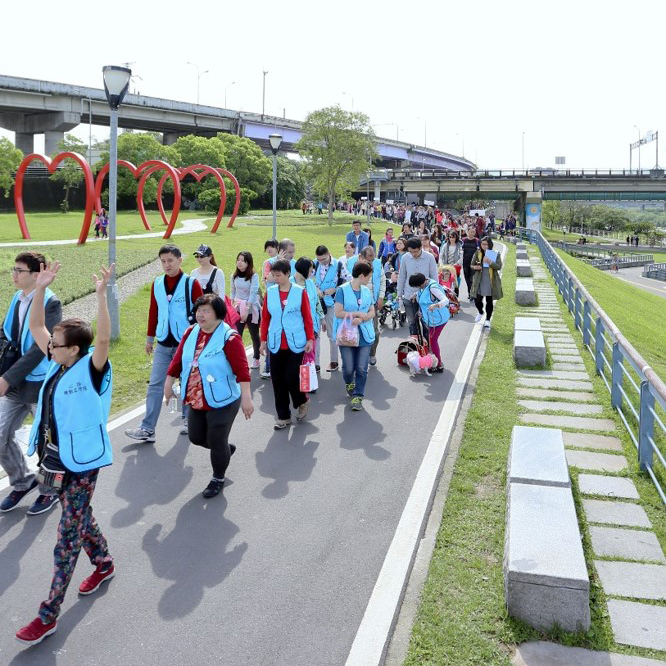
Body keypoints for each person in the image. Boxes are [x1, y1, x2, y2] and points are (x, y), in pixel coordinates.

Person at [15, 262, 115, 646]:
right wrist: (40, 289)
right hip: (54, 461)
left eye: (56, 344)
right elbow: (36, 327)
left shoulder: (91, 369)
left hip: (84, 464)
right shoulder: (57, 361)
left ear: (74, 349)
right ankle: (104, 562)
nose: (48, 346)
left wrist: (102, 297)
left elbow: (102, 341)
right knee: (79, 515)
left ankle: (48, 614)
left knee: (67, 535)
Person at [164, 294, 253, 498]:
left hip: (223, 399)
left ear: (218, 314)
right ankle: (224, 449)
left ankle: (218, 478)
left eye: (206, 311)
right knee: (196, 437)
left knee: (216, 437)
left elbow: (242, 369)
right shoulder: (190, 332)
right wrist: (169, 382)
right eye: (198, 310)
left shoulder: (229, 337)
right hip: (196, 397)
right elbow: (178, 360)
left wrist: (247, 397)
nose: (200, 315)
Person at [0, 252, 62, 516]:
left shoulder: (50, 302)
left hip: (39, 383)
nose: (13, 274)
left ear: (37, 275)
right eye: (13, 269)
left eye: (19, 270)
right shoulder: (17, 297)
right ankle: (23, 481)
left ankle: (49, 492)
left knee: (46, 443)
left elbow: (40, 349)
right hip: (15, 383)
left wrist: (7, 378)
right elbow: (7, 335)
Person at [125, 245, 203, 443]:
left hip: (185, 343)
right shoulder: (157, 283)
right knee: (155, 385)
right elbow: (154, 311)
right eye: (163, 261)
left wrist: (201, 341)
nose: (167, 265)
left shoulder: (191, 283)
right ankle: (147, 428)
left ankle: (187, 418)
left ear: (179, 260)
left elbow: (202, 313)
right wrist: (149, 338)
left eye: (170, 260)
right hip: (163, 342)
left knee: (185, 383)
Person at [259, 260, 314, 430]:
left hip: (296, 341)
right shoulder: (271, 292)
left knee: (291, 376)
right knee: (277, 380)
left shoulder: (299, 292)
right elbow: (266, 318)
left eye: (278, 275)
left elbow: (307, 316)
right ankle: (283, 416)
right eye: (273, 275)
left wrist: (310, 338)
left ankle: (302, 401)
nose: (275, 278)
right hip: (276, 342)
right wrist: (262, 340)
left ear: (287, 274)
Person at [334, 262, 375, 411]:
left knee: (362, 368)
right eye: (368, 277)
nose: (369, 280)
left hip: (364, 335)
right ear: (362, 276)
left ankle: (358, 396)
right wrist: (356, 314)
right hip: (347, 335)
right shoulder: (342, 290)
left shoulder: (366, 291)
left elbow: (372, 311)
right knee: (349, 368)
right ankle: (349, 382)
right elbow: (338, 313)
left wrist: (363, 318)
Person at [350, 246, 385, 366]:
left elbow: (382, 281)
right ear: (361, 257)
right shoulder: (352, 265)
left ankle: (372, 354)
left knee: (374, 332)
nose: (372, 262)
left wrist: (381, 297)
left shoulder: (378, 264)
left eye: (373, 259)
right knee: (357, 332)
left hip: (373, 304)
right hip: (356, 307)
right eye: (369, 260)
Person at [408, 272, 449, 372]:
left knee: (432, 340)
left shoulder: (432, 287)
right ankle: (433, 362)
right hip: (430, 319)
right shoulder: (423, 287)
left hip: (438, 319)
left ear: (421, 283)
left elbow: (445, 300)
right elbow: (422, 296)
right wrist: (415, 295)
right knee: (431, 340)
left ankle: (438, 364)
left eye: (416, 286)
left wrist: (436, 305)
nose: (416, 288)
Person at [397, 237, 438, 335]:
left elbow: (434, 277)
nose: (413, 254)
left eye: (415, 251)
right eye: (411, 252)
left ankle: (427, 348)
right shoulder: (405, 258)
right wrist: (399, 295)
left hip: (425, 296)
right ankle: (415, 348)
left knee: (426, 324)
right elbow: (402, 276)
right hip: (408, 295)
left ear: (421, 248)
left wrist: (434, 294)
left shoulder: (429, 257)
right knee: (412, 323)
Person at [313, 245, 342, 372]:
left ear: (329, 254)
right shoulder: (314, 263)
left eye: (323, 259)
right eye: (319, 260)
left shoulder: (339, 265)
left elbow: (349, 281)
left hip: (331, 303)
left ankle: (334, 361)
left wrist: (335, 289)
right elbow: (309, 278)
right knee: (315, 334)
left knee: (332, 334)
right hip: (316, 303)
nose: (321, 262)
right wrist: (316, 289)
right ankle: (315, 363)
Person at [231, 252, 261, 369]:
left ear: (248, 263)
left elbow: (253, 293)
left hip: (251, 309)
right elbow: (233, 291)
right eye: (238, 260)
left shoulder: (254, 276)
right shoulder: (234, 276)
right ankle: (238, 359)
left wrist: (247, 307)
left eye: (243, 260)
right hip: (238, 308)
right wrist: (233, 303)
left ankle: (256, 358)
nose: (239, 262)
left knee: (254, 335)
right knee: (237, 335)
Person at [293, 257, 323, 374]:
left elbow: (316, 301)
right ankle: (296, 381)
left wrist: (322, 318)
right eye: (310, 271)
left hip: (311, 326)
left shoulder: (310, 283)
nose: (312, 273)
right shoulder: (290, 283)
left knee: (310, 354)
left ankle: (308, 382)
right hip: (296, 327)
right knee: (297, 355)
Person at [471, 237, 503, 329]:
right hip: (479, 279)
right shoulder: (478, 253)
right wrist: (475, 267)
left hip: (490, 279)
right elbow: (472, 264)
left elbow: (499, 266)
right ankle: (481, 312)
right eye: (482, 244)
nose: (484, 246)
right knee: (477, 300)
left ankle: (488, 319)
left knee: (489, 300)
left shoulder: (495, 253)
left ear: (490, 244)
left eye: (486, 244)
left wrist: (490, 262)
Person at [260, 239, 280, 378]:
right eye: (267, 247)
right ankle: (268, 366)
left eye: (272, 247)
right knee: (270, 332)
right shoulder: (268, 263)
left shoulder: (287, 262)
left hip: (284, 300)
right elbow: (268, 279)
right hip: (272, 299)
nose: (269, 249)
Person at [440, 230, 463, 296]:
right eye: (450, 237)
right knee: (445, 282)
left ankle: (456, 297)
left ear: (456, 238)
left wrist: (456, 264)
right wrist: (442, 264)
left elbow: (461, 256)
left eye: (453, 237)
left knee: (455, 282)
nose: (452, 239)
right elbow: (441, 255)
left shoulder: (459, 246)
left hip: (455, 268)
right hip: (446, 267)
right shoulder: (445, 245)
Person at [462, 226, 480, 301]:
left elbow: (480, 251)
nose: (472, 233)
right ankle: (470, 293)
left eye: (474, 232)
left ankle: (473, 294)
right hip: (465, 262)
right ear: (468, 231)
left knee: (472, 279)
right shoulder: (463, 240)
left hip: (474, 263)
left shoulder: (477, 241)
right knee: (467, 279)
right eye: (471, 231)